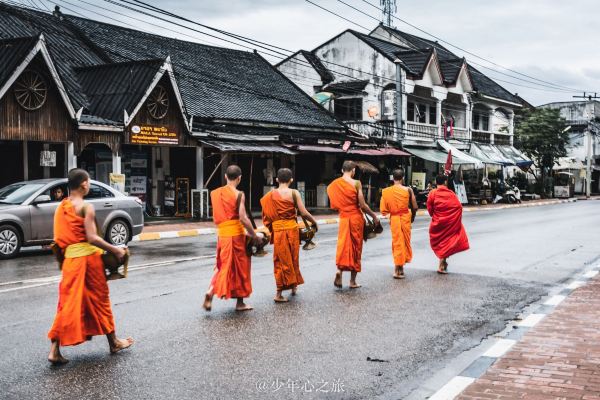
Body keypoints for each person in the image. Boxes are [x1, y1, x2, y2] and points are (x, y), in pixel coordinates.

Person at [47, 169, 132, 365]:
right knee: (100, 302)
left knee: (66, 304)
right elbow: (92, 238)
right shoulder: (86, 207)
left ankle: (54, 350)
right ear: (84, 184)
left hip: (70, 263)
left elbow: (58, 240)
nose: (90, 185)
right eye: (89, 182)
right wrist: (116, 250)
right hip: (88, 262)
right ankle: (114, 342)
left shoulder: (61, 208)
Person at [203, 165, 261, 312]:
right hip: (236, 236)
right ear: (240, 178)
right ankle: (240, 303)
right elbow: (243, 218)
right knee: (241, 269)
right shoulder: (238, 194)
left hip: (222, 235)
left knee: (223, 266)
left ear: (225, 177)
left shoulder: (216, 193)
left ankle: (211, 290)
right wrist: (254, 235)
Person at [260, 168, 318, 303]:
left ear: (276, 180)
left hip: (279, 231)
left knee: (280, 261)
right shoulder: (294, 193)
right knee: (293, 258)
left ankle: (280, 291)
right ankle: (291, 287)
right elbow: (303, 213)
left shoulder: (270, 195)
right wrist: (314, 222)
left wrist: (273, 226)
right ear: (291, 180)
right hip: (292, 230)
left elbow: (267, 216)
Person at [327, 161, 379, 289]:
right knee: (356, 248)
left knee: (344, 245)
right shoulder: (356, 183)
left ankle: (339, 271)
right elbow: (362, 205)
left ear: (342, 170)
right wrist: (373, 215)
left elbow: (333, 201)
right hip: (355, 218)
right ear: (353, 170)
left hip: (344, 218)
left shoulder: (334, 184)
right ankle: (352, 281)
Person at [427, 174, 470, 274]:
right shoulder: (451, 193)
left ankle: (442, 263)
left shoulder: (432, 193)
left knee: (442, 242)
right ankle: (442, 263)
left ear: (435, 182)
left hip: (437, 223)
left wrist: (436, 216)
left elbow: (430, 209)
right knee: (447, 241)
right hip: (449, 222)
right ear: (445, 182)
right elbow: (458, 207)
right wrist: (453, 219)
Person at [380, 168, 418, 279]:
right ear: (403, 178)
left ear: (393, 178)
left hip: (395, 218)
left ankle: (400, 268)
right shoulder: (408, 190)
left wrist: (391, 214)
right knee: (404, 242)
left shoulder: (386, 191)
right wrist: (412, 218)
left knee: (397, 243)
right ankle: (397, 270)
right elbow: (414, 206)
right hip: (405, 217)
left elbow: (384, 209)